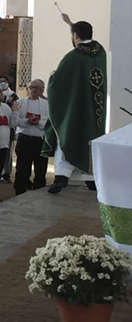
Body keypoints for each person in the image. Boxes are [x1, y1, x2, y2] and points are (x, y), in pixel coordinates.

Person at [46, 20, 107, 194]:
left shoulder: (73, 57)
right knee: (90, 141)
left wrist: (52, 78)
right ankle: (91, 179)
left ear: (76, 36)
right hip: (95, 110)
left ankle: (61, 178)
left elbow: (57, 84)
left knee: (66, 137)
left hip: (76, 109)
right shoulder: (100, 53)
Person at [15, 79, 49, 194]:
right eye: (31, 87)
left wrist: (38, 122)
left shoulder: (46, 104)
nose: (33, 90)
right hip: (24, 138)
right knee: (22, 168)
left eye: (37, 88)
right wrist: (27, 121)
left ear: (42, 90)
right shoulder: (20, 102)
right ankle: (20, 191)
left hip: (40, 139)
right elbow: (15, 120)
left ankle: (39, 191)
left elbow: (50, 122)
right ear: (27, 89)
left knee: (41, 168)